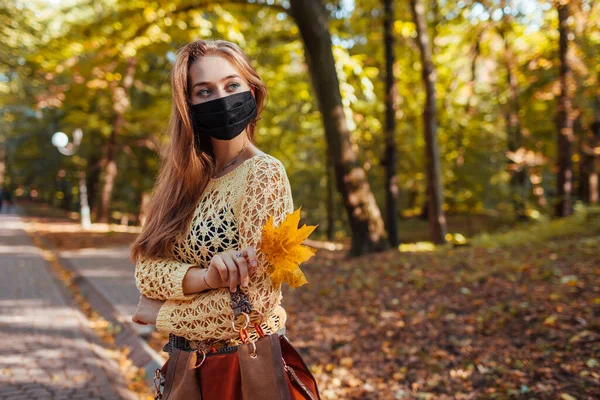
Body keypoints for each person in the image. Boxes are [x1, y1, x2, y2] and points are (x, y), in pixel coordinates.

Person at [130, 39, 294, 357]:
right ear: (188, 104)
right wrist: (206, 278)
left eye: (232, 85)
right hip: (185, 364)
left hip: (242, 368)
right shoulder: (183, 179)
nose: (221, 99)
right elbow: (147, 270)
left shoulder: (264, 174)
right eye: (204, 91)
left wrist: (162, 314)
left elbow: (255, 303)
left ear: (253, 90)